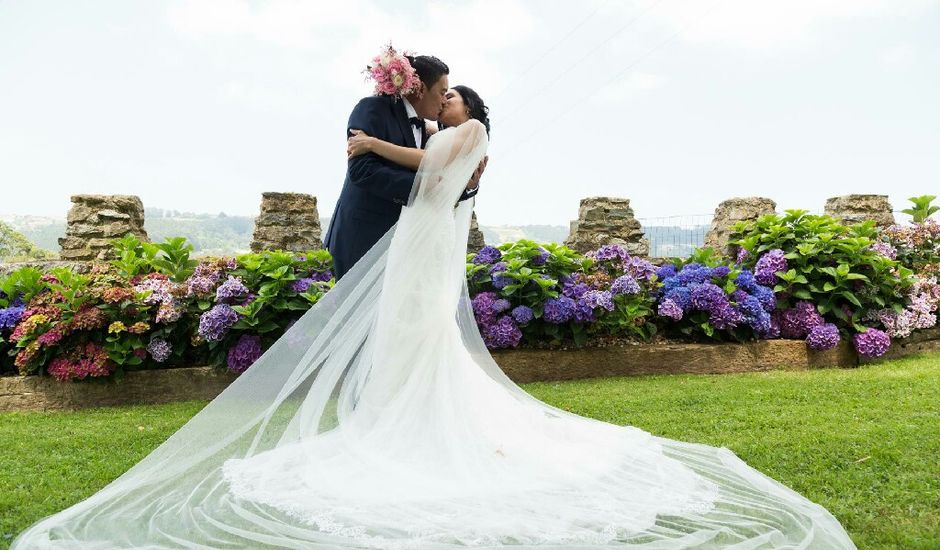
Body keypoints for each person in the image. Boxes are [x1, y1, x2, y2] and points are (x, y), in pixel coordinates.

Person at [12, 50, 857, 549]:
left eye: (446, 94)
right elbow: (423, 177)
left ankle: (411, 426)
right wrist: (389, 144)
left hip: (418, 244)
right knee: (409, 337)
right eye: (436, 91)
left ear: (463, 105)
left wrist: (378, 141)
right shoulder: (421, 122)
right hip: (406, 243)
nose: (439, 99)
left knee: (419, 336)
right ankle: (389, 418)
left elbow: (431, 164)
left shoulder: (465, 131)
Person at [324, 57, 485, 280]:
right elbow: (363, 171)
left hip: (408, 240)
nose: (443, 101)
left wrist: (465, 186)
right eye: (442, 92)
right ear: (420, 88)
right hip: (362, 236)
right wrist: (424, 186)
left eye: (449, 95)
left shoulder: (435, 132)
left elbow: (434, 164)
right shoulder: (373, 108)